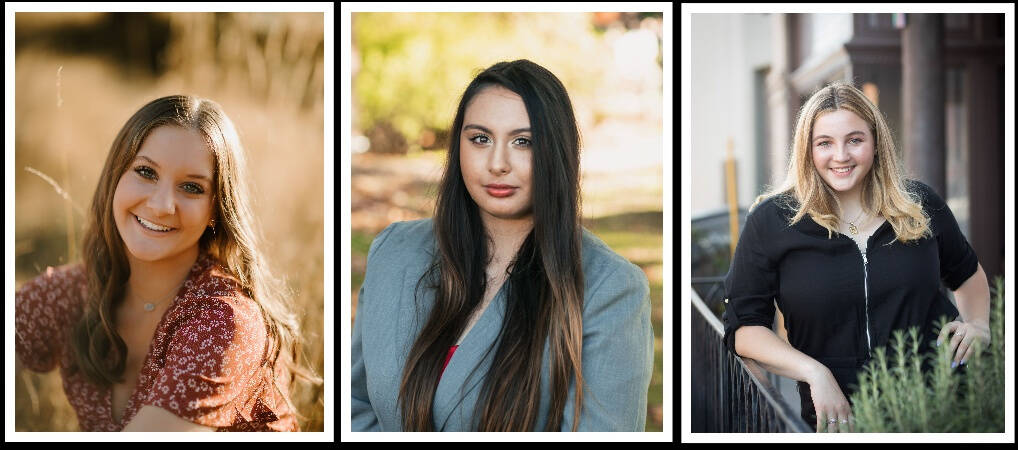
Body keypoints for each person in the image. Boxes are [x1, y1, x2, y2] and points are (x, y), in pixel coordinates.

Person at [351, 60, 654, 432]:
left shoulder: (609, 288)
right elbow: (355, 406)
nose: (498, 164)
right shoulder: (393, 252)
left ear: (556, 153)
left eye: (523, 142)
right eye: (480, 138)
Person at [14, 95, 321, 431]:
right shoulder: (73, 292)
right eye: (146, 172)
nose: (161, 205)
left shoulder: (224, 321)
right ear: (115, 176)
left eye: (191, 187)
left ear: (215, 210)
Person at [721, 81, 992, 433]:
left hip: (941, 407)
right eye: (825, 143)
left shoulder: (919, 205)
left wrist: (979, 325)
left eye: (855, 140)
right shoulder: (773, 221)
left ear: (876, 142)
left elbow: (967, 274)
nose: (841, 156)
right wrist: (814, 372)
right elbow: (744, 328)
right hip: (839, 419)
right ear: (807, 149)